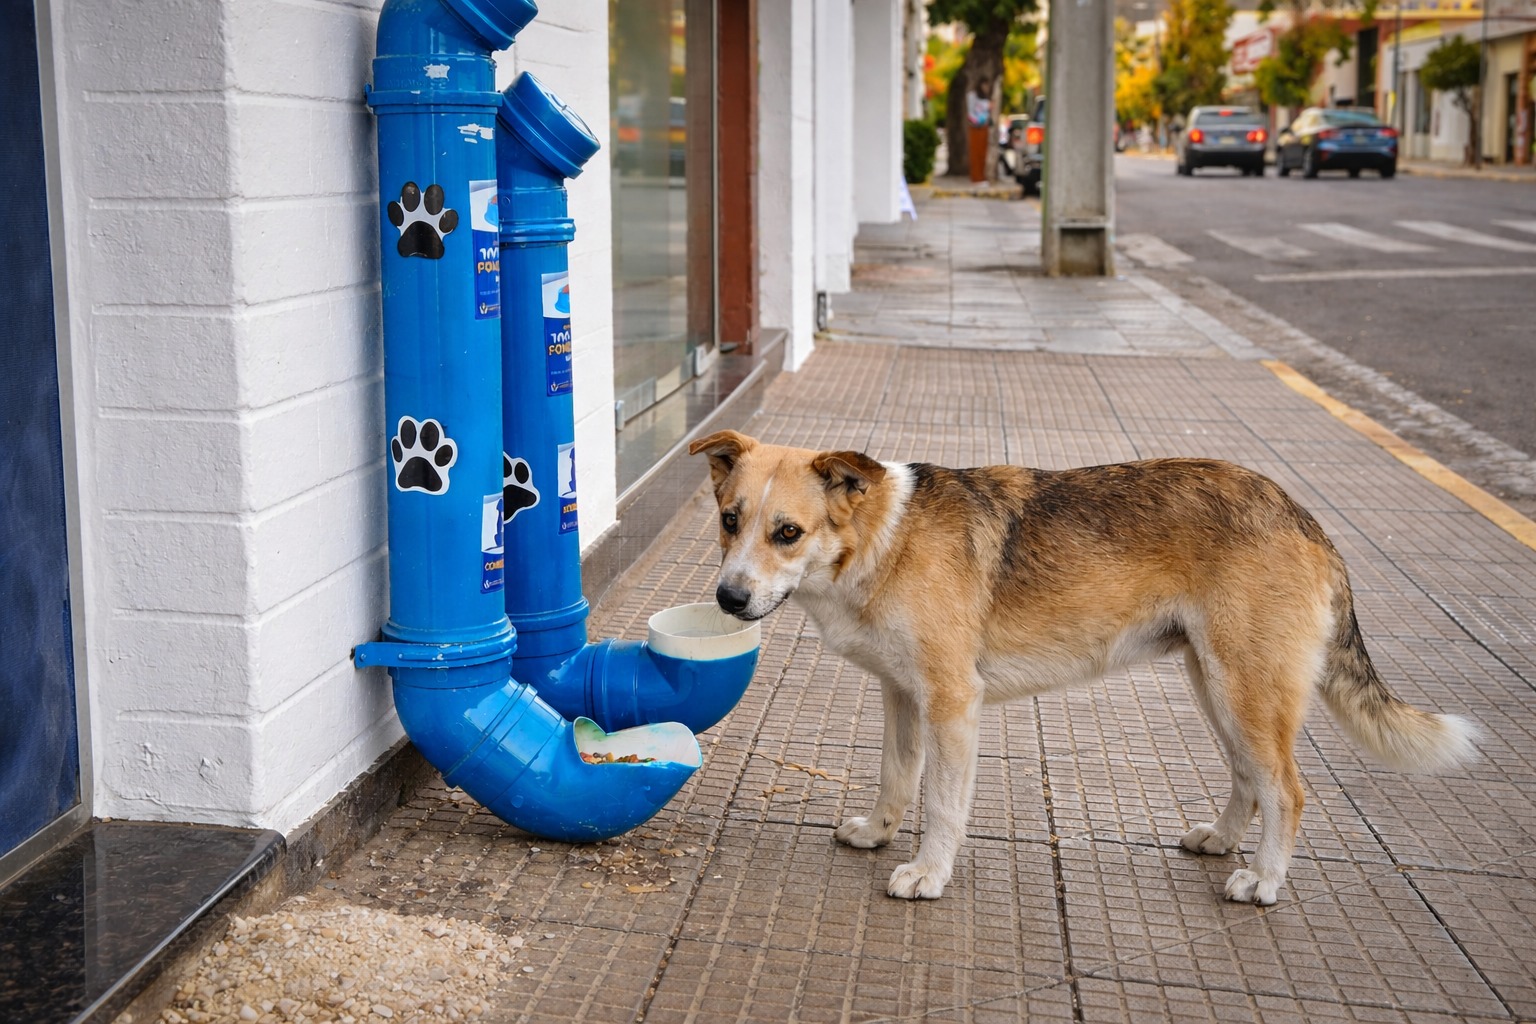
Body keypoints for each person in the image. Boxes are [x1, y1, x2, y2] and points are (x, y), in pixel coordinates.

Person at [965, 76, 992, 183]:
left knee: (983, 154)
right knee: (975, 154)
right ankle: (976, 177)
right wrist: (978, 121)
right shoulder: (972, 96)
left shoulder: (985, 97)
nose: (986, 88)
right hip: (975, 127)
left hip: (984, 127)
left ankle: (981, 176)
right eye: (984, 85)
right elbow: (970, 112)